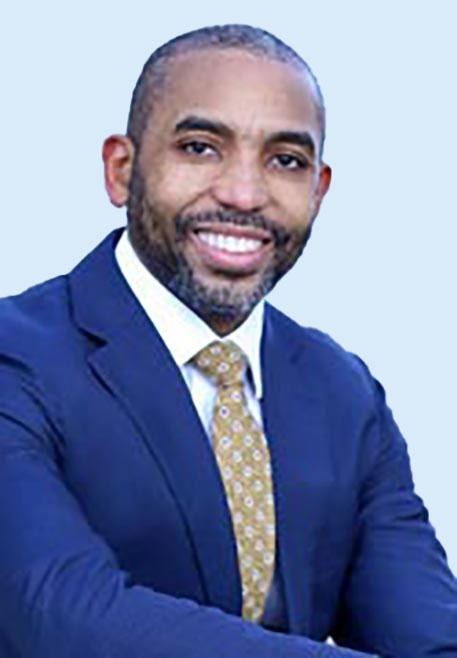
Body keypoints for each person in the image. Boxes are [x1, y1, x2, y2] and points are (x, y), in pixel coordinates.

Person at [0, 24, 455, 658]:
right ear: (121, 170)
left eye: (286, 160)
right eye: (200, 148)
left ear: (319, 190)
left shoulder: (343, 392)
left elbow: (426, 633)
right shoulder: (15, 359)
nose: (244, 194)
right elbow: (56, 614)